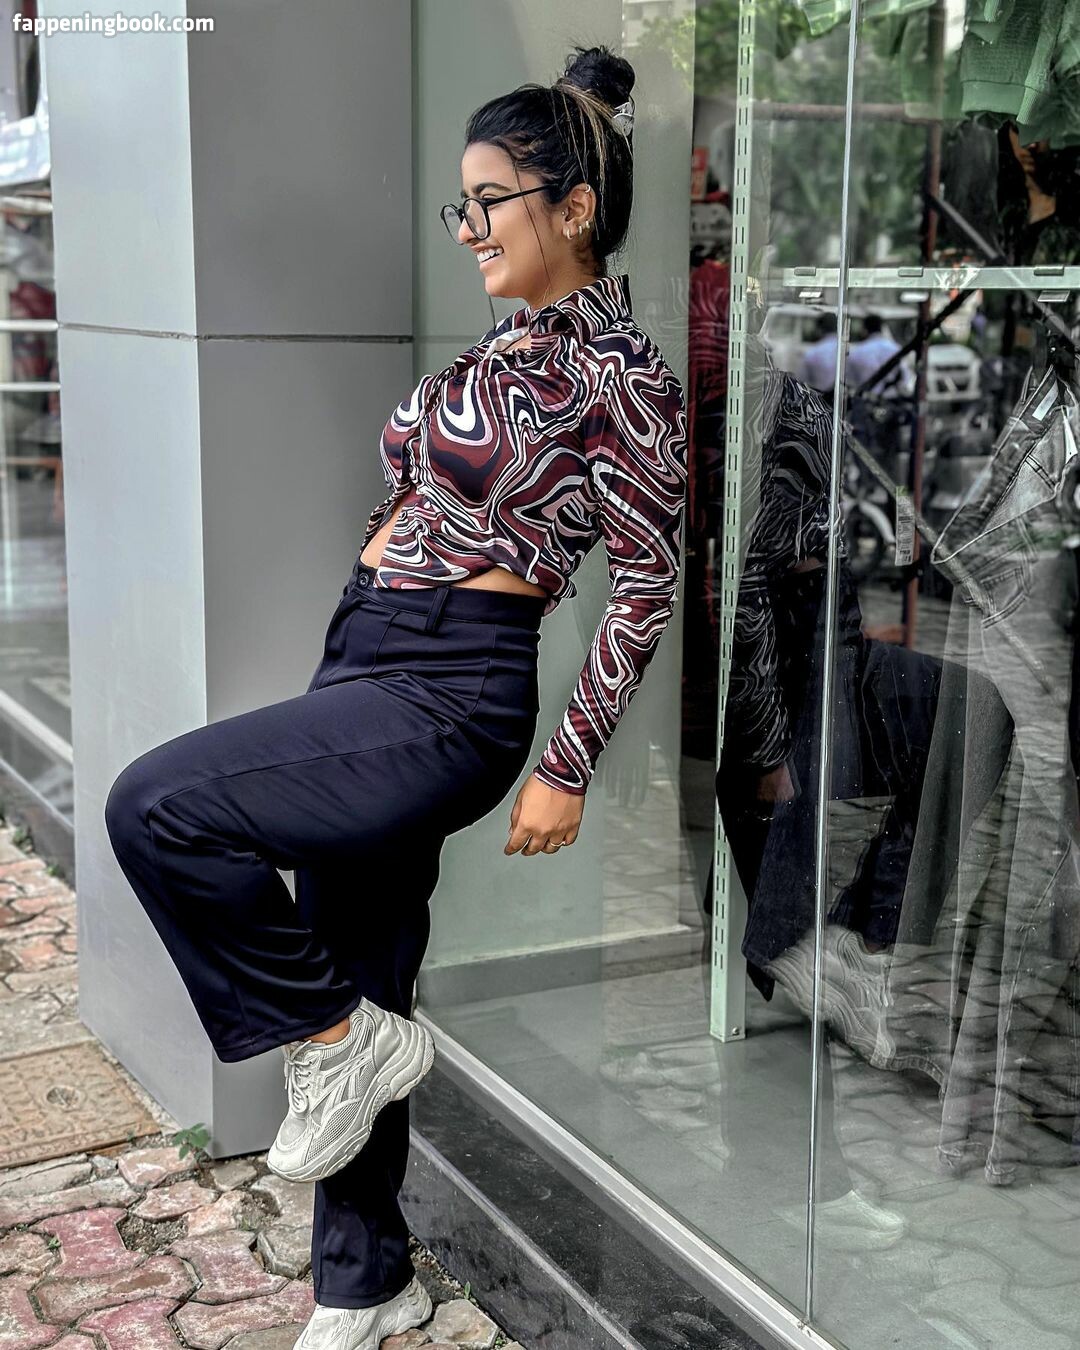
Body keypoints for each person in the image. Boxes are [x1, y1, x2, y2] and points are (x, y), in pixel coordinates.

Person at [103, 43, 687, 1350]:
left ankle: (331, 1040)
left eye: (490, 201)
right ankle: (363, 1283)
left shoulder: (625, 379)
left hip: (452, 686)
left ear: (574, 208)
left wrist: (567, 762)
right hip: (367, 652)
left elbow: (647, 584)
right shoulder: (502, 349)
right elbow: (426, 491)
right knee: (364, 961)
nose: (467, 227)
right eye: (459, 205)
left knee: (159, 808)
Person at [799, 311, 840, 397]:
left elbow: (802, 381)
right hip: (842, 400)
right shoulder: (845, 351)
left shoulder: (812, 353)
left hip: (818, 399)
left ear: (819, 329)